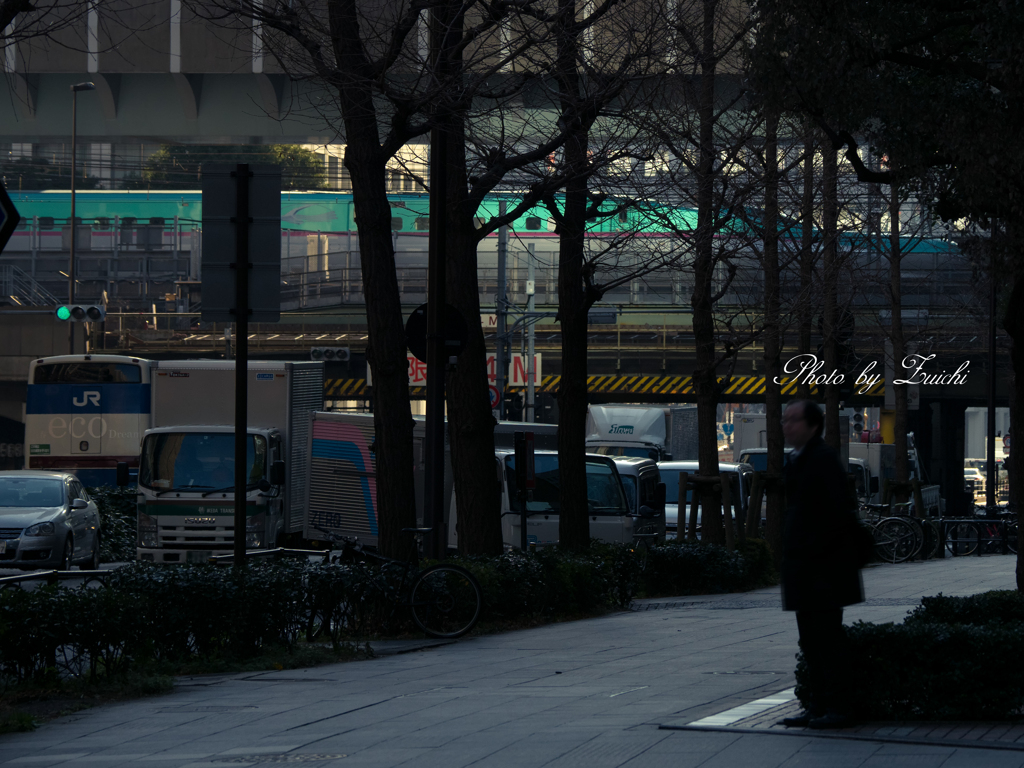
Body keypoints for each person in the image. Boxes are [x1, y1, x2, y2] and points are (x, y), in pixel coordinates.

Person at [778, 400, 864, 730]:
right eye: (785, 420)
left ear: (813, 426)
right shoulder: (800, 458)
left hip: (823, 569)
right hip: (808, 567)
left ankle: (837, 708)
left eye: (793, 420)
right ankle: (817, 706)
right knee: (812, 643)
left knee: (827, 642)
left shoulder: (822, 459)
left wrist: (811, 550)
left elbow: (835, 514)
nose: (787, 426)